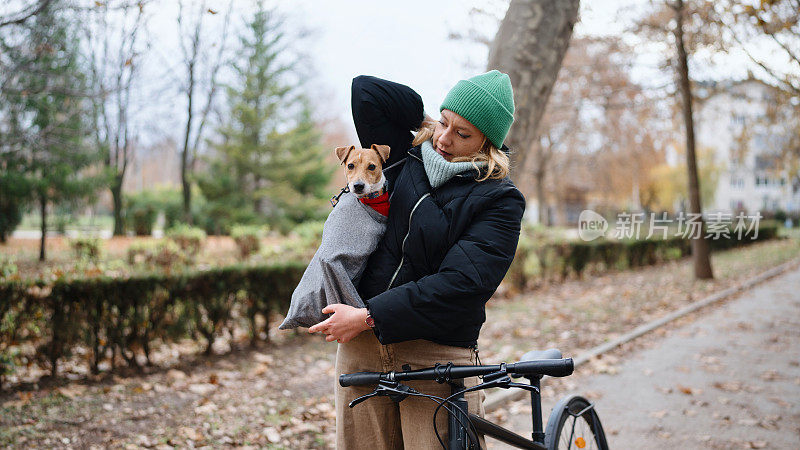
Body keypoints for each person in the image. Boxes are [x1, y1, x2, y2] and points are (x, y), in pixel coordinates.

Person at [308, 70, 526, 448]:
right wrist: (426, 118)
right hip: (363, 350)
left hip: (437, 357)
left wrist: (366, 315)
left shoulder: (499, 199)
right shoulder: (403, 156)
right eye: (444, 123)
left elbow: (462, 284)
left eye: (463, 133)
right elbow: (366, 90)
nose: (444, 139)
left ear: (487, 144)